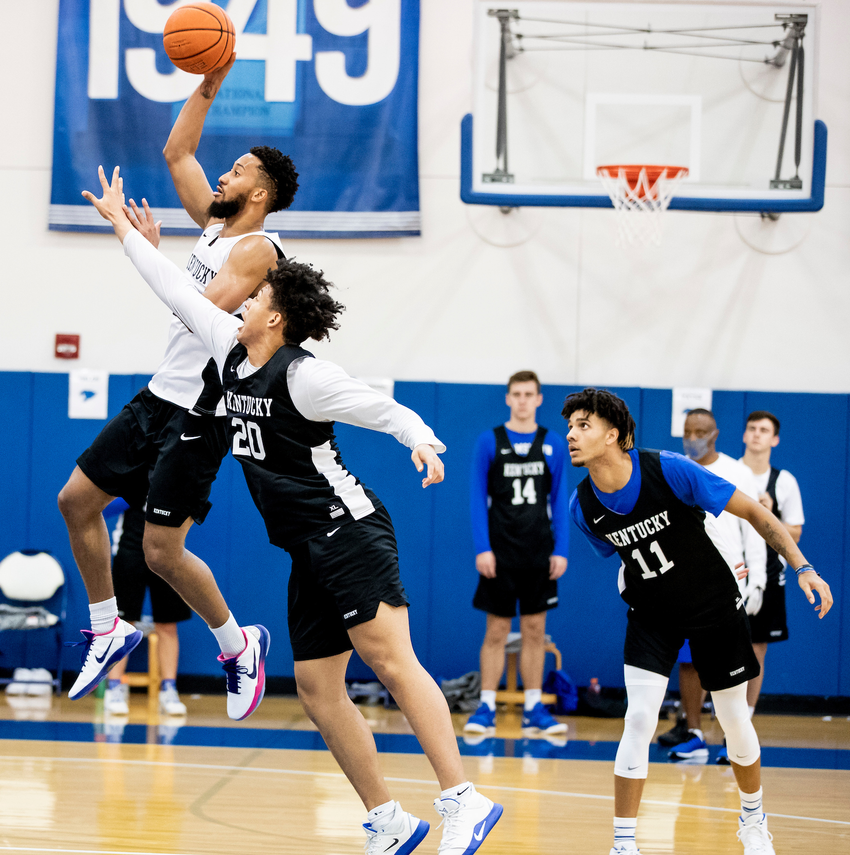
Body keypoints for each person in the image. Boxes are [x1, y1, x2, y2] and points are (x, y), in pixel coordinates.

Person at [83, 165, 503, 855]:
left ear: (275, 313)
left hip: (351, 531)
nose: (241, 298)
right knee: (316, 685)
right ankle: (389, 818)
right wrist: (123, 227)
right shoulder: (225, 349)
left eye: (256, 294)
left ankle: (464, 797)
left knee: (391, 659)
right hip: (304, 547)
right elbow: (169, 287)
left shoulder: (306, 376)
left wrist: (423, 441)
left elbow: (383, 406)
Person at [57, 55, 299, 721]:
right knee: (76, 501)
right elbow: (177, 149)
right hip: (159, 394)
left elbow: (200, 308)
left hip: (201, 413)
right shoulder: (217, 224)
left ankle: (237, 642)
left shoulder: (259, 251)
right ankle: (108, 626)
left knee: (164, 552)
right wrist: (212, 78)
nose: (222, 173)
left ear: (260, 193)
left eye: (239, 170)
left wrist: (138, 244)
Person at [562, 388, 833, 855]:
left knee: (732, 717)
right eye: (570, 425)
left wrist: (802, 566)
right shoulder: (582, 507)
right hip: (651, 614)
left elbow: (753, 510)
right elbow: (624, 556)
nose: (571, 434)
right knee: (639, 717)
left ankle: (753, 820)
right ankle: (623, 845)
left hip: (712, 604)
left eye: (583, 425)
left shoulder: (668, 468)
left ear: (613, 434)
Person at [464, 370, 569, 736]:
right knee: (496, 630)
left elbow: (559, 500)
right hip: (500, 551)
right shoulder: (489, 442)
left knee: (535, 630)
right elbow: (477, 499)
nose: (523, 400)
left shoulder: (553, 443)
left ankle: (535, 707)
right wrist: (483, 548)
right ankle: (486, 706)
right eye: (517, 394)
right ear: (508, 399)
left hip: (539, 551)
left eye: (529, 394)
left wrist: (562, 550)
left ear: (539, 399)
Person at [666, 409, 767, 764]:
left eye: (700, 431)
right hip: (687, 581)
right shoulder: (674, 468)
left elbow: (754, 527)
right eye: (687, 431)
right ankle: (693, 732)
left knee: (731, 660)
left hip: (731, 582)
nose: (693, 437)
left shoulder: (738, 472)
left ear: (715, 434)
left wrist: (758, 581)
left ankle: (732, 738)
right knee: (690, 661)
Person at [101, 500, 191, 717]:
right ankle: (114, 688)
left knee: (167, 624)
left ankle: (168, 688)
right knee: (123, 624)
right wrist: (132, 493)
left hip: (168, 552)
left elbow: (193, 510)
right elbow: (103, 507)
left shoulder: (177, 473)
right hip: (130, 549)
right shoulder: (131, 470)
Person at [739, 412, 804, 714]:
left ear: (774, 439)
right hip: (731, 570)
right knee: (716, 646)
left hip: (767, 573)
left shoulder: (784, 481)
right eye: (751, 428)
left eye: (764, 430)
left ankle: (745, 718)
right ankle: (698, 722)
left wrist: (769, 515)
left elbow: (796, 533)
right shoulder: (728, 472)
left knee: (756, 649)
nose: (756, 434)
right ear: (743, 435)